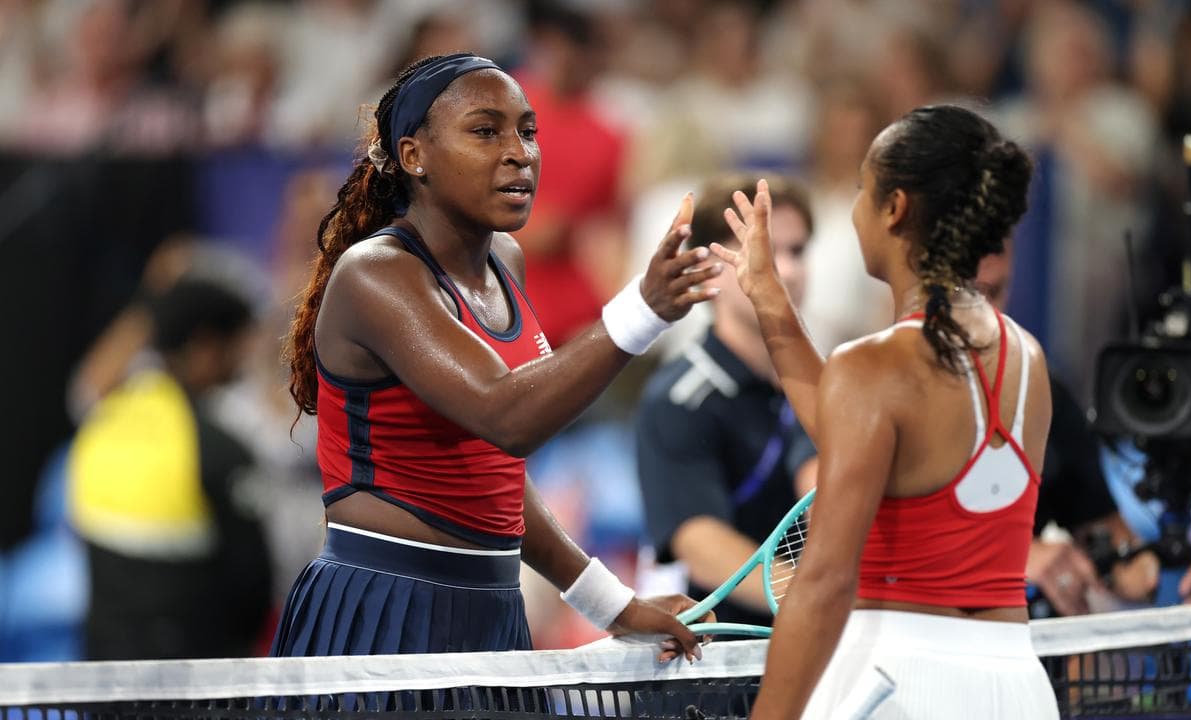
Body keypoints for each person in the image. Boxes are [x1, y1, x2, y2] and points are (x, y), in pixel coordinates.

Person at [275, 53, 718, 661]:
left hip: (493, 609)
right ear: (413, 156)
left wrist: (609, 604)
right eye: (486, 131)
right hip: (382, 608)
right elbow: (506, 417)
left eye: (527, 131)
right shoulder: (376, 275)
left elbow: (495, 479)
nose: (520, 152)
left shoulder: (506, 260)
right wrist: (641, 310)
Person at [712, 106, 1058, 717]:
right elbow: (866, 438)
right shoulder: (1026, 356)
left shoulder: (874, 366)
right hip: (1016, 687)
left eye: (860, 191)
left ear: (894, 207)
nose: (853, 210)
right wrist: (769, 297)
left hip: (895, 681)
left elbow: (822, 582)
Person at [636, 174, 816, 630]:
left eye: (798, 252)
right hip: (727, 661)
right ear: (712, 266)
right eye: (767, 253)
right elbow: (700, 544)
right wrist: (818, 599)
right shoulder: (677, 400)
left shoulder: (831, 378)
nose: (789, 272)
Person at [67, 276, 273, 660]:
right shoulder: (219, 449)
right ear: (204, 345)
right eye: (238, 347)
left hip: (104, 672)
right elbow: (252, 584)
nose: (244, 362)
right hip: (196, 680)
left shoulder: (101, 423)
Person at [975, 239, 1160, 617]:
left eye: (997, 293)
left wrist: (1166, 573)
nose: (987, 316)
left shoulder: (1042, 391)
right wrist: (1012, 558)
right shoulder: (885, 384)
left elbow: (1113, 542)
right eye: (972, 294)